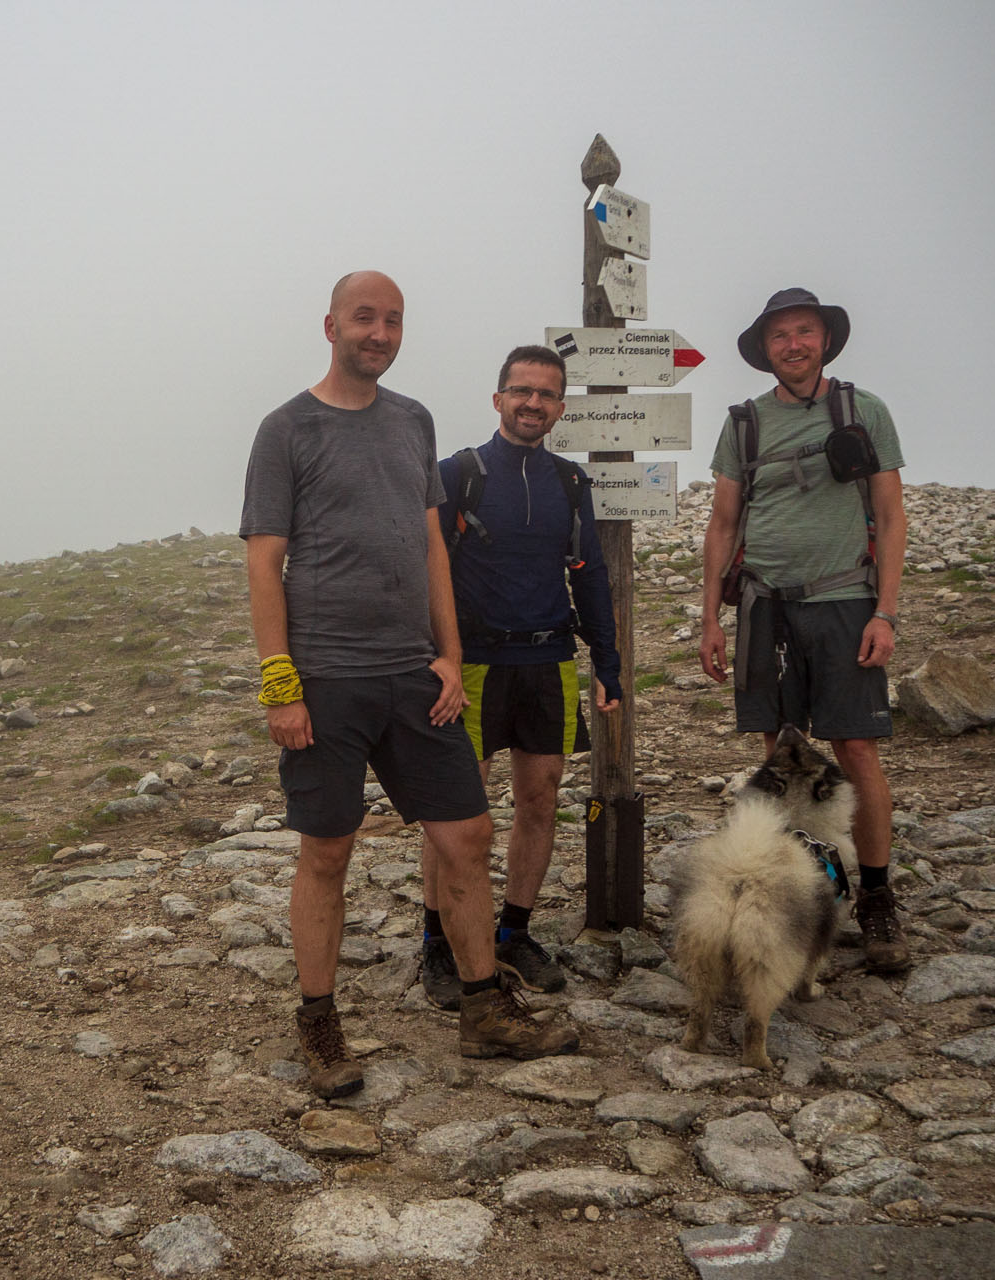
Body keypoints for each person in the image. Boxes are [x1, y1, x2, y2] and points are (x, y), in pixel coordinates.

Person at [241, 272, 579, 1099]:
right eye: (366, 318)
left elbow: (432, 546)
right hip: (324, 678)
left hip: (411, 674)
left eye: (393, 320)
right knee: (328, 851)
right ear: (331, 325)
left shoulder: (412, 421)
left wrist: (449, 655)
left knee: (465, 836)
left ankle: (483, 1009)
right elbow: (262, 559)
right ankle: (320, 1027)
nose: (380, 332)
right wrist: (281, 686)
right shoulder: (286, 430)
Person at [698, 288, 910, 971]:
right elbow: (723, 522)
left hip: (846, 600)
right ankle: (794, 895)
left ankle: (876, 898)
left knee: (856, 750)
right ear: (764, 350)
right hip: (766, 606)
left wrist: (886, 612)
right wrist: (709, 615)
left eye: (805, 331)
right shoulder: (745, 425)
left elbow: (893, 514)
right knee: (781, 757)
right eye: (780, 336)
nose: (793, 344)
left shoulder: (864, 411)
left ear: (825, 339)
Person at [417, 345, 623, 1006]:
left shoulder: (570, 483)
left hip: (548, 661)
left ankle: (514, 932)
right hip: (472, 664)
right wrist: (433, 660)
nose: (532, 403)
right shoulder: (457, 475)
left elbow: (588, 574)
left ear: (560, 407)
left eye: (546, 394)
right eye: (521, 391)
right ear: (498, 398)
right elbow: (427, 572)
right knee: (456, 810)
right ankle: (437, 942)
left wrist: (608, 665)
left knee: (540, 798)